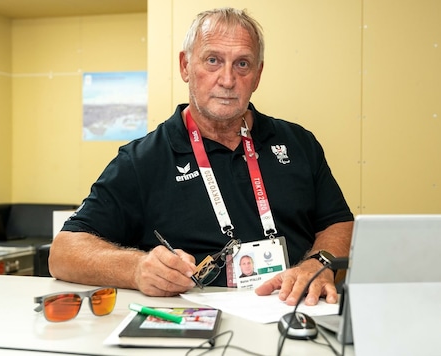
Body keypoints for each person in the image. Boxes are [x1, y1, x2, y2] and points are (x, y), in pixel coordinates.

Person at [49, 7, 354, 307]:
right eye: (212, 60)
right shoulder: (142, 160)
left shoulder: (299, 143)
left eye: (242, 64)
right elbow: (62, 253)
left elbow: (337, 223)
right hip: (196, 325)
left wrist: (318, 263)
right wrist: (137, 268)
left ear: (258, 75)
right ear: (185, 66)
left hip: (294, 312)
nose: (227, 79)